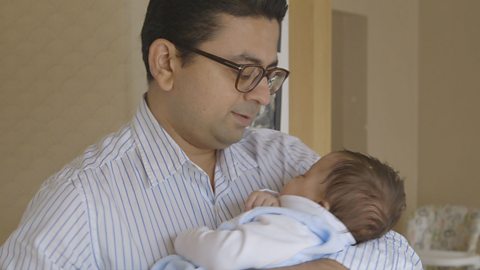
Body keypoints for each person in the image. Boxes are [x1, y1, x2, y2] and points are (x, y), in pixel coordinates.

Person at [0, 1, 422, 269]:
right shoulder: (81, 201)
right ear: (166, 62)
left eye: (269, 73)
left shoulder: (287, 159)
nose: (261, 95)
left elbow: (401, 258)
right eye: (244, 70)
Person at [150, 150, 407, 270]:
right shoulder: (324, 234)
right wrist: (274, 202)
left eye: (303, 175)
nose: (293, 177)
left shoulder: (294, 230)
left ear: (320, 206)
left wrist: (187, 239)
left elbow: (223, 255)